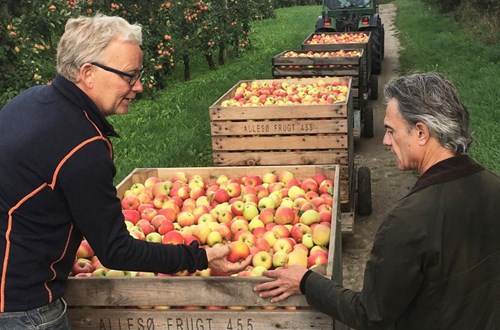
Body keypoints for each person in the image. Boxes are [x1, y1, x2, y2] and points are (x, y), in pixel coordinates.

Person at [0, 14, 250, 328]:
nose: (139, 86)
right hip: (24, 309)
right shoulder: (83, 145)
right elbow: (116, 251)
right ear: (88, 73)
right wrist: (200, 257)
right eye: (129, 76)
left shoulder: (28, 101)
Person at [254, 72, 500, 329]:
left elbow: (371, 314)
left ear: (420, 133)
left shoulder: (408, 220)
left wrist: (306, 281)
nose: (384, 140)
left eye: (391, 131)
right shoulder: (494, 186)